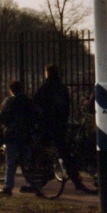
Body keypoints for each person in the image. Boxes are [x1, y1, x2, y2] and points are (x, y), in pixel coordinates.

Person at [33, 64, 94, 194]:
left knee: (41, 153)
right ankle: (77, 181)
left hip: (47, 126)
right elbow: (66, 106)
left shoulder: (45, 88)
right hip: (60, 125)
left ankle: (40, 182)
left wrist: (38, 120)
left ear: (47, 73)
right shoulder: (62, 88)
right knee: (65, 155)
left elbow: (36, 104)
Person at [0, 79, 37, 195]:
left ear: (11, 90)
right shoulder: (28, 101)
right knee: (26, 160)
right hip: (26, 134)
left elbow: (1, 117)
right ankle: (31, 183)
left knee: (11, 161)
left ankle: (8, 187)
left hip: (12, 134)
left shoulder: (9, 101)